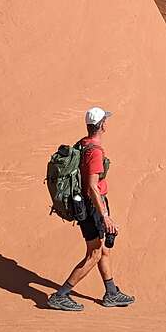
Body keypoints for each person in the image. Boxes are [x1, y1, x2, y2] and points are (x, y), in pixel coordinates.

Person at [47, 106, 135, 311]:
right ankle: (61, 295)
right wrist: (104, 216)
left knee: (103, 249)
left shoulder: (82, 144)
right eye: (106, 121)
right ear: (102, 125)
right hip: (92, 207)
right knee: (94, 253)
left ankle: (111, 292)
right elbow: (92, 186)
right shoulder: (94, 152)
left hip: (86, 205)